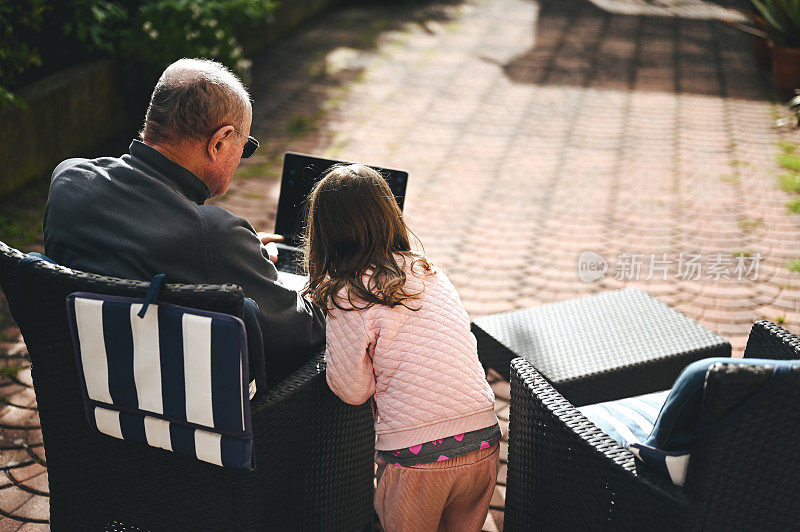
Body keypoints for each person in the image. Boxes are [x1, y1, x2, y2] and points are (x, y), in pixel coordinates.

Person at [43, 58, 325, 385]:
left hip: (84, 396)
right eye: (245, 146)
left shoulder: (67, 180)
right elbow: (302, 332)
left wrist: (241, 256)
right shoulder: (214, 236)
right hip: (181, 419)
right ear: (219, 142)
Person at [304, 164, 501, 531]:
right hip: (484, 439)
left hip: (418, 457)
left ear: (324, 235)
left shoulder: (347, 295)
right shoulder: (430, 271)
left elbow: (352, 391)